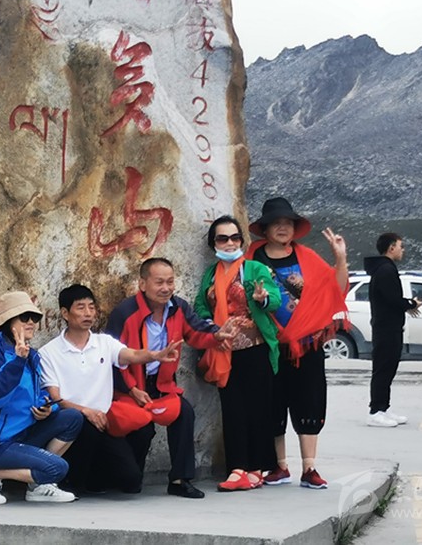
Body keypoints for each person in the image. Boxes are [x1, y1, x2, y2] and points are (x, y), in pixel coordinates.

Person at [105, 257, 238, 499]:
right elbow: (110, 356)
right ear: (143, 284)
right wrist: (132, 388)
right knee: (141, 428)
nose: (166, 288)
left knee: (184, 413)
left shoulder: (178, 308)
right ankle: (130, 477)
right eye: (159, 282)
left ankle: (180, 479)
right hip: (130, 388)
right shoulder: (125, 313)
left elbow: (197, 331)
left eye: (170, 282)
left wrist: (217, 335)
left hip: (162, 386)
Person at [39, 283, 182, 496]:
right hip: (75, 423)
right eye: (81, 307)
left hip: (105, 421)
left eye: (91, 307)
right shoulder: (48, 353)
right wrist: (86, 411)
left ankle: (98, 480)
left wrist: (155, 355)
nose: (88, 313)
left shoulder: (104, 342)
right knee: (84, 427)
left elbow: (131, 355)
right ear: (65, 313)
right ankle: (70, 480)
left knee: (132, 481)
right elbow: (55, 398)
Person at [247, 197, 349, 490]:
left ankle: (309, 468)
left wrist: (340, 258)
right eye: (276, 223)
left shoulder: (308, 257)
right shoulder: (252, 258)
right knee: (272, 402)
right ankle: (279, 466)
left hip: (307, 343)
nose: (282, 228)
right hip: (268, 341)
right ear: (265, 229)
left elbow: (336, 288)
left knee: (309, 400)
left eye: (287, 223)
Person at [0, 291, 83, 504]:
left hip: (21, 435)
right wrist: (17, 362)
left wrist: (47, 408)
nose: (31, 322)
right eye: (24, 317)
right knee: (57, 469)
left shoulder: (31, 355)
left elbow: (37, 394)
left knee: (73, 418)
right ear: (8, 322)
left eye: (35, 317)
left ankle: (37, 486)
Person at [193, 215, 281, 491]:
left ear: (242, 241)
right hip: (224, 348)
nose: (229, 243)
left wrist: (262, 299)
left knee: (258, 408)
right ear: (214, 244)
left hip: (254, 349)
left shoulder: (255, 269)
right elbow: (200, 305)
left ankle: (256, 468)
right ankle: (237, 468)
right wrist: (212, 326)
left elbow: (275, 300)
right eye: (222, 238)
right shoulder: (211, 274)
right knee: (232, 410)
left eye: (234, 237)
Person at [366, 232, 422, 427]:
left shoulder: (386, 268)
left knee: (389, 368)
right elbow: (392, 299)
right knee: (383, 369)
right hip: (385, 328)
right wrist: (411, 303)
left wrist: (407, 305)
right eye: (400, 246)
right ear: (391, 248)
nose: (402, 250)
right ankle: (375, 411)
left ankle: (384, 407)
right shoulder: (385, 270)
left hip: (390, 327)